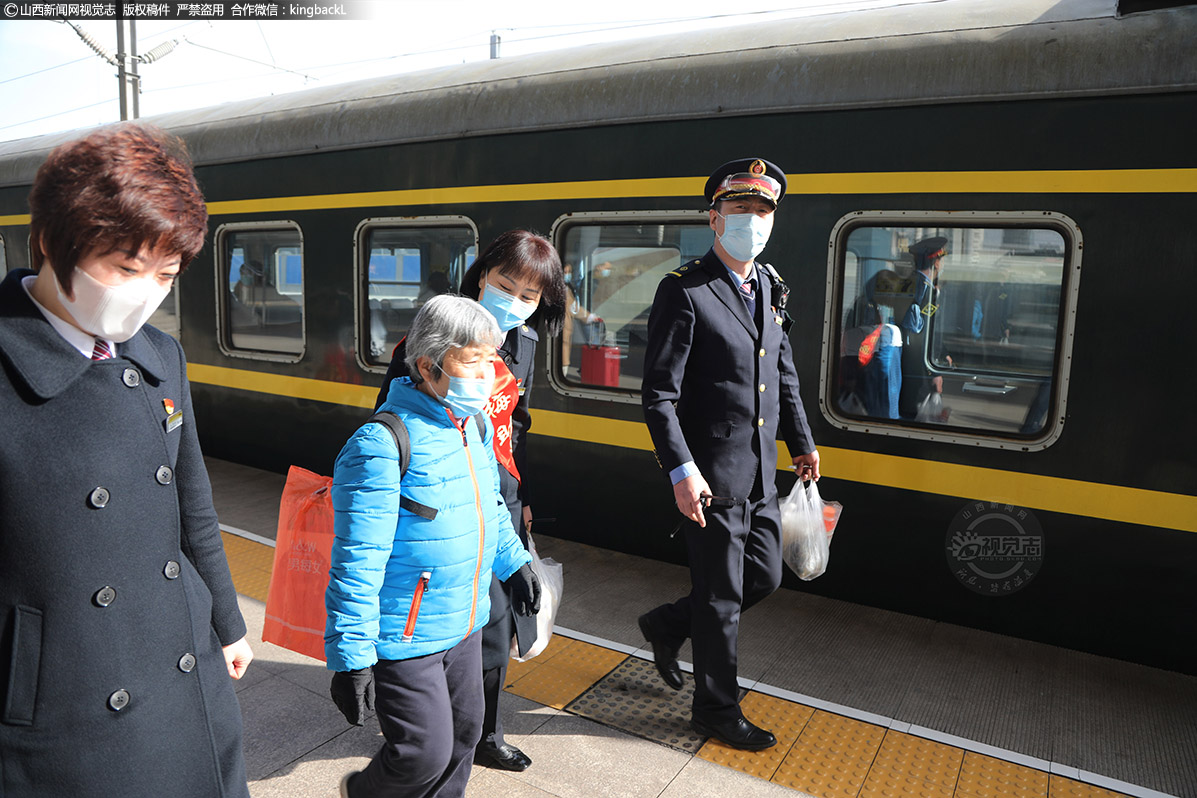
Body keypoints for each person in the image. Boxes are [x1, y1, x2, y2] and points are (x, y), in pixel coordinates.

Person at [0, 123, 253, 797]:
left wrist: (227, 624)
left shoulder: (159, 356)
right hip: (63, 697)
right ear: (54, 242)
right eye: (126, 267)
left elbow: (191, 502)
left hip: (183, 662)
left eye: (166, 275)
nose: (146, 294)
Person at [328, 294, 542, 798]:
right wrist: (351, 656)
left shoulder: (476, 426)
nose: (489, 372)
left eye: (493, 358)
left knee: (466, 735)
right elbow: (356, 562)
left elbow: (489, 504)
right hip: (406, 637)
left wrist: (515, 563)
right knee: (420, 753)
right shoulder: (380, 444)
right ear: (429, 365)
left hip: (465, 622)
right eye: (474, 359)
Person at [638, 158, 819, 752]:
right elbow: (659, 395)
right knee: (719, 601)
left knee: (763, 578)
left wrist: (803, 445)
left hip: (762, 475)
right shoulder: (686, 290)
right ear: (715, 218)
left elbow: (782, 374)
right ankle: (715, 708)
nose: (753, 220)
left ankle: (666, 625)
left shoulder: (770, 286)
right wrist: (681, 470)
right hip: (711, 479)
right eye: (740, 209)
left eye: (763, 210)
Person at [372, 230, 566, 772]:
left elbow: (516, 426)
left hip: (498, 498)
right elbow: (391, 418)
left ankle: (484, 732)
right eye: (507, 286)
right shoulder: (432, 335)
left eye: (530, 297)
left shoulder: (522, 344)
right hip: (441, 500)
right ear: (481, 276)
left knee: (498, 624)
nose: (516, 303)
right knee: (442, 622)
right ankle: (421, 721)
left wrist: (522, 499)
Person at [898, 236, 952, 419]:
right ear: (936, 262)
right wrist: (933, 372)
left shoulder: (909, 285)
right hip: (919, 374)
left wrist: (943, 352)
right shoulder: (926, 292)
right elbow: (921, 337)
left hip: (908, 367)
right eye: (942, 260)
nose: (943, 264)